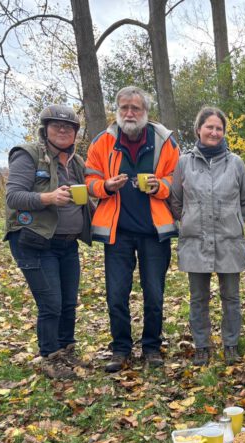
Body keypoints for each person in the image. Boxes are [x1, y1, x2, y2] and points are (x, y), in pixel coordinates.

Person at [85, 86, 180, 372]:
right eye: (124, 108)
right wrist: (105, 186)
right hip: (118, 232)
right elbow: (89, 178)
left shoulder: (164, 141)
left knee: (154, 294)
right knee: (116, 295)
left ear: (145, 112)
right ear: (117, 110)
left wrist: (159, 186)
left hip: (154, 232)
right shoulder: (102, 142)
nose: (129, 113)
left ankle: (151, 348)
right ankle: (121, 349)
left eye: (135, 108)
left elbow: (177, 178)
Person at [4, 104, 92, 380]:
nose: (63, 130)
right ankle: (50, 357)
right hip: (35, 242)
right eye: (57, 126)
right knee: (51, 303)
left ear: (76, 133)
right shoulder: (28, 155)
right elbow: (13, 197)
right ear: (45, 129)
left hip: (68, 243)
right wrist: (48, 198)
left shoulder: (76, 162)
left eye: (69, 127)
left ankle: (66, 349)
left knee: (68, 302)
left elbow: (90, 192)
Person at [169, 107, 245, 366]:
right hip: (195, 240)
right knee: (198, 298)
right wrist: (190, 220)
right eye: (209, 127)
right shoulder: (184, 162)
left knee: (231, 297)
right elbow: (175, 200)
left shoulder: (236, 163)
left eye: (219, 128)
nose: (214, 132)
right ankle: (202, 345)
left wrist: (232, 221)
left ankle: (231, 344)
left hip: (229, 240)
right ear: (198, 130)